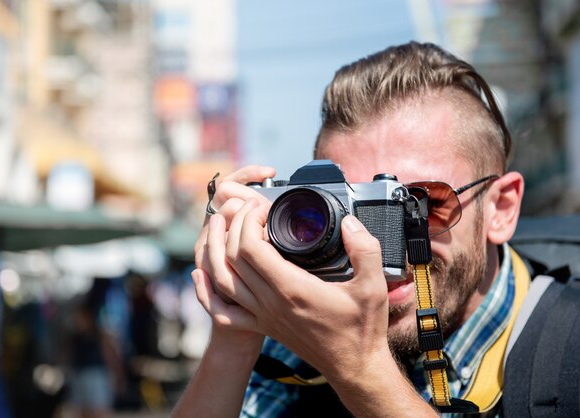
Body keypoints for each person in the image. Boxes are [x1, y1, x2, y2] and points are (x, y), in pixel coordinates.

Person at [170, 41, 566, 417]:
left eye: (416, 205)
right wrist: (235, 334)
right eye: (348, 209)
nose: (372, 245)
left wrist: (357, 367)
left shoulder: (570, 349)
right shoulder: (301, 347)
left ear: (501, 208)